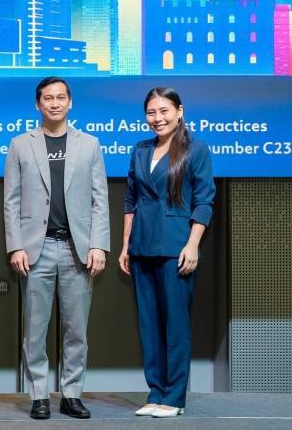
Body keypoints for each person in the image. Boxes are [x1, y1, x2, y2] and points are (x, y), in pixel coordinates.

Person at [3, 77, 109, 420]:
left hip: (78, 250)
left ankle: (72, 394)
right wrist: (15, 246)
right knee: (35, 330)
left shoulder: (90, 144)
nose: (54, 103)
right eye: (47, 98)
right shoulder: (20, 144)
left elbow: (100, 200)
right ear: (38, 104)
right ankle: (39, 396)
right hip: (37, 249)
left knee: (76, 329)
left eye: (60, 97)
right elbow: (11, 201)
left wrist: (99, 245)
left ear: (70, 102)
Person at [119, 87, 215, 419]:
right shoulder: (140, 149)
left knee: (176, 327)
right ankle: (156, 392)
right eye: (151, 112)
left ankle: (174, 397)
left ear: (179, 111)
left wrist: (193, 244)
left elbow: (204, 201)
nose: (157, 118)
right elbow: (131, 200)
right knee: (149, 326)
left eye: (164, 111)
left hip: (176, 246)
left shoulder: (196, 149)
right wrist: (125, 245)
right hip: (141, 246)